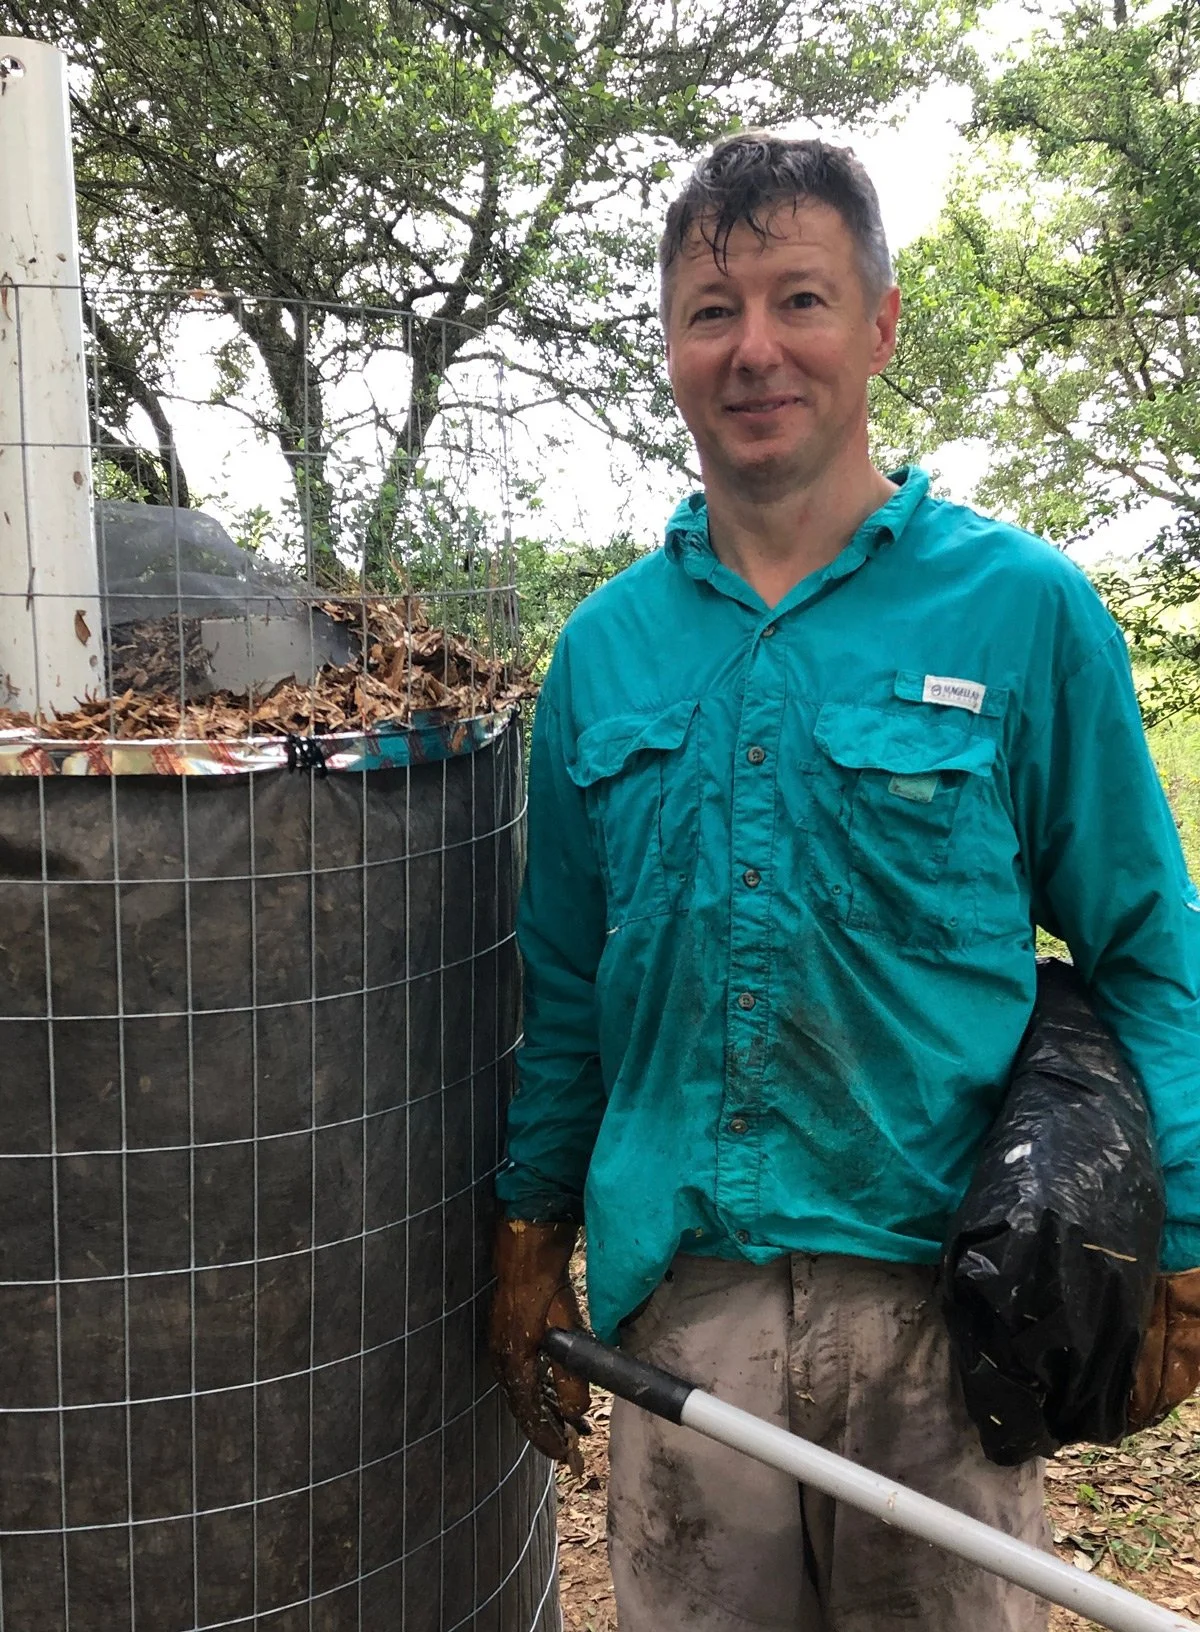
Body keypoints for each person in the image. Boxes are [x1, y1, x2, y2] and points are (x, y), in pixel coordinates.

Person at [488, 133, 1200, 1631]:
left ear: (878, 326)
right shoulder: (603, 654)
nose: (755, 349)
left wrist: (1182, 1246)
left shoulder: (1025, 612)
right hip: (685, 1314)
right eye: (712, 311)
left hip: (951, 1310)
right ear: (671, 349)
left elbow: (1147, 950)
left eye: (800, 300)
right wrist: (531, 1228)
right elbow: (566, 989)